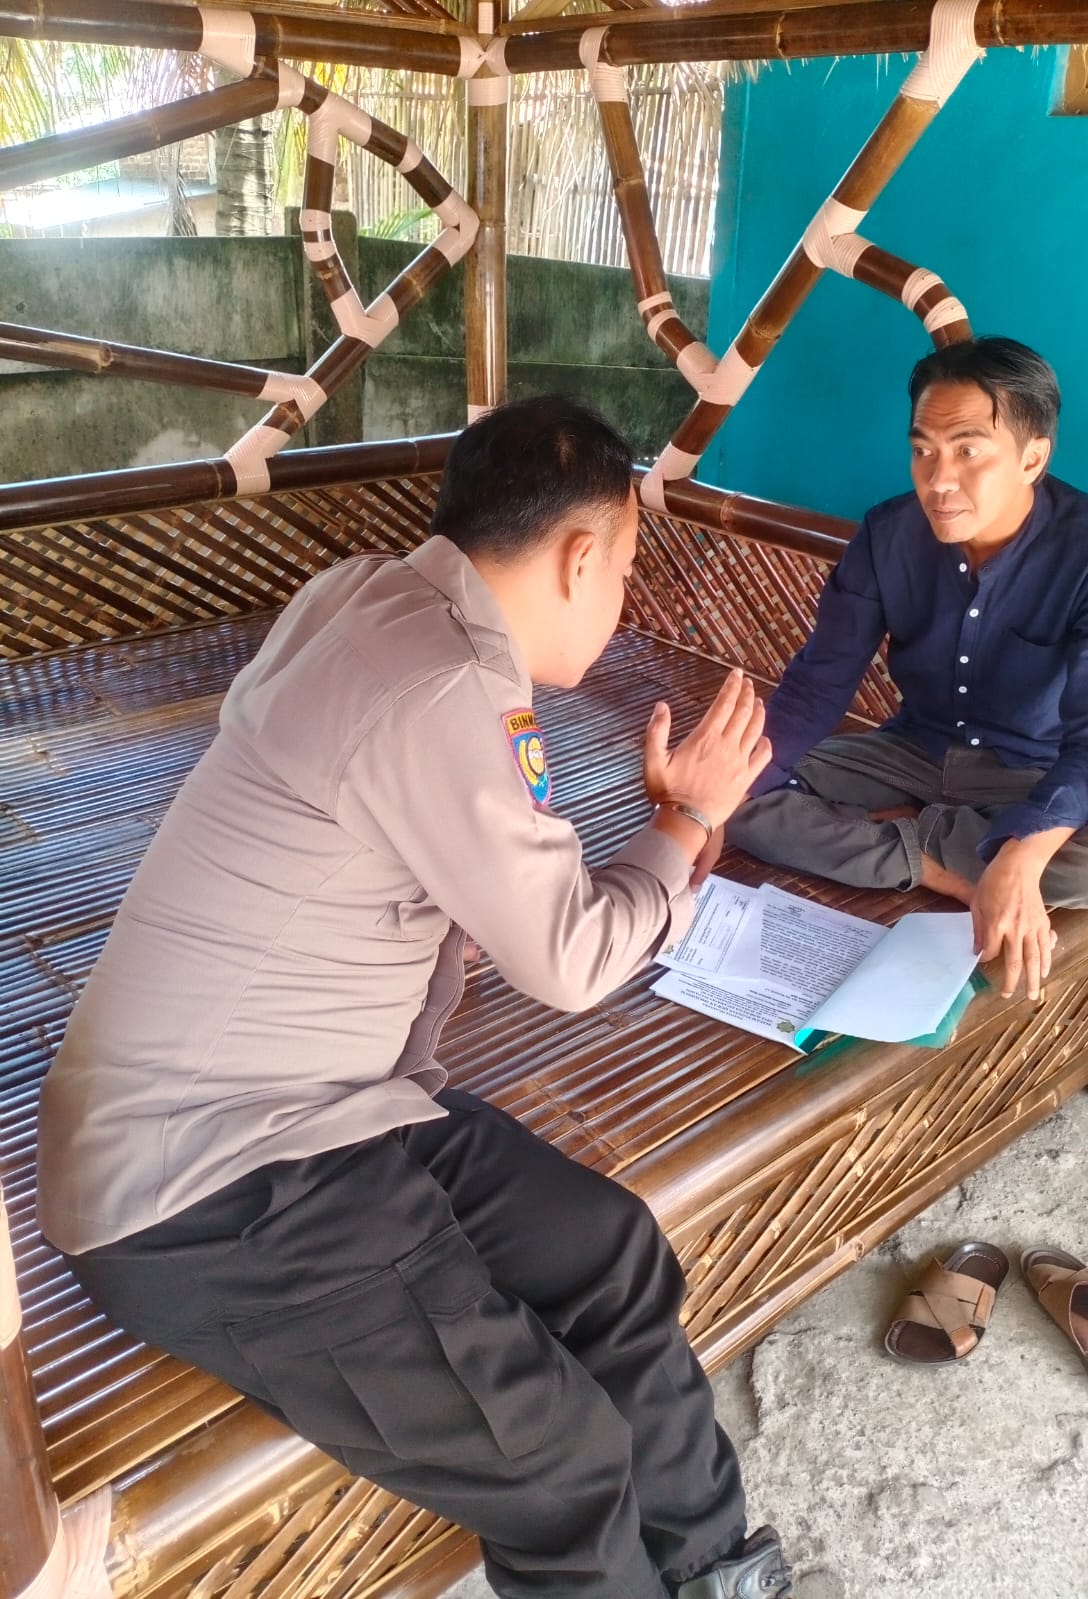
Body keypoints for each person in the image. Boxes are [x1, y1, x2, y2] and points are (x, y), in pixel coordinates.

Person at [36, 397, 791, 1599]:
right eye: (626, 570)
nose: (622, 598)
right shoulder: (446, 684)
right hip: (199, 1185)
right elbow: (571, 962)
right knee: (556, 1463)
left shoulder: (367, 596)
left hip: (333, 1106)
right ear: (579, 556)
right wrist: (689, 816)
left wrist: (650, 846)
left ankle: (716, 1574)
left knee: (606, 1251)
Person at [728, 337, 1088, 1007]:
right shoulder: (887, 533)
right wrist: (721, 790)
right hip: (908, 752)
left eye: (968, 450)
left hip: (1026, 775)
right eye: (923, 450)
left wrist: (1024, 852)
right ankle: (937, 865)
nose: (938, 479)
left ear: (1032, 457)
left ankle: (928, 845)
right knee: (735, 797)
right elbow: (817, 685)